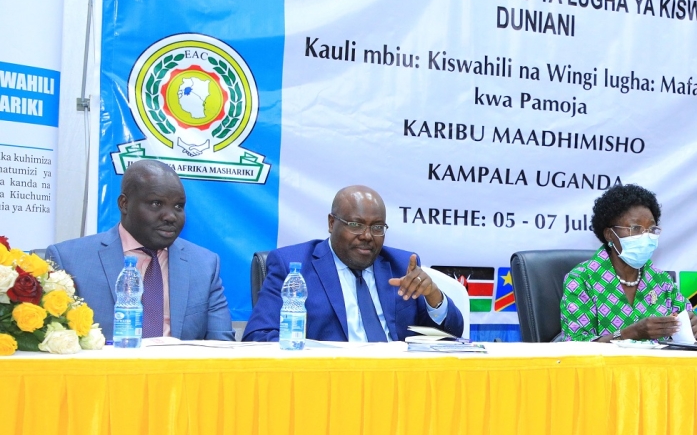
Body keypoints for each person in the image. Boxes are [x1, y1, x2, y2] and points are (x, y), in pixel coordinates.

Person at [243, 185, 463, 342]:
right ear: (331, 223)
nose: (367, 235)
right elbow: (258, 336)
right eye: (356, 225)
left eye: (377, 227)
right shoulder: (291, 264)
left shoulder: (401, 266)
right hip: (327, 384)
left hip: (396, 384)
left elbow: (451, 334)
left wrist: (434, 296)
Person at [46, 160, 234, 341]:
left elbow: (223, 347)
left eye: (178, 206)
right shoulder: (69, 261)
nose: (170, 216)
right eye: (156, 203)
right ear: (124, 204)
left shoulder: (205, 265)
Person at [560, 184, 697, 342]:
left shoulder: (661, 281)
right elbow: (575, 345)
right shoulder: (581, 279)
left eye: (652, 229)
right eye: (635, 228)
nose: (646, 236)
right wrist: (631, 333)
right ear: (609, 234)